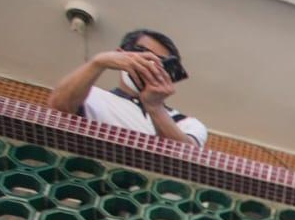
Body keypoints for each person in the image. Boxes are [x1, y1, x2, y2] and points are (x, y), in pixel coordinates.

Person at [45, 28, 206, 146]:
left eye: (162, 62)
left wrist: (155, 107)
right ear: (120, 54)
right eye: (142, 53)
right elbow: (59, 107)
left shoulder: (186, 123)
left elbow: (185, 158)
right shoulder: (90, 96)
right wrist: (99, 62)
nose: (150, 64)